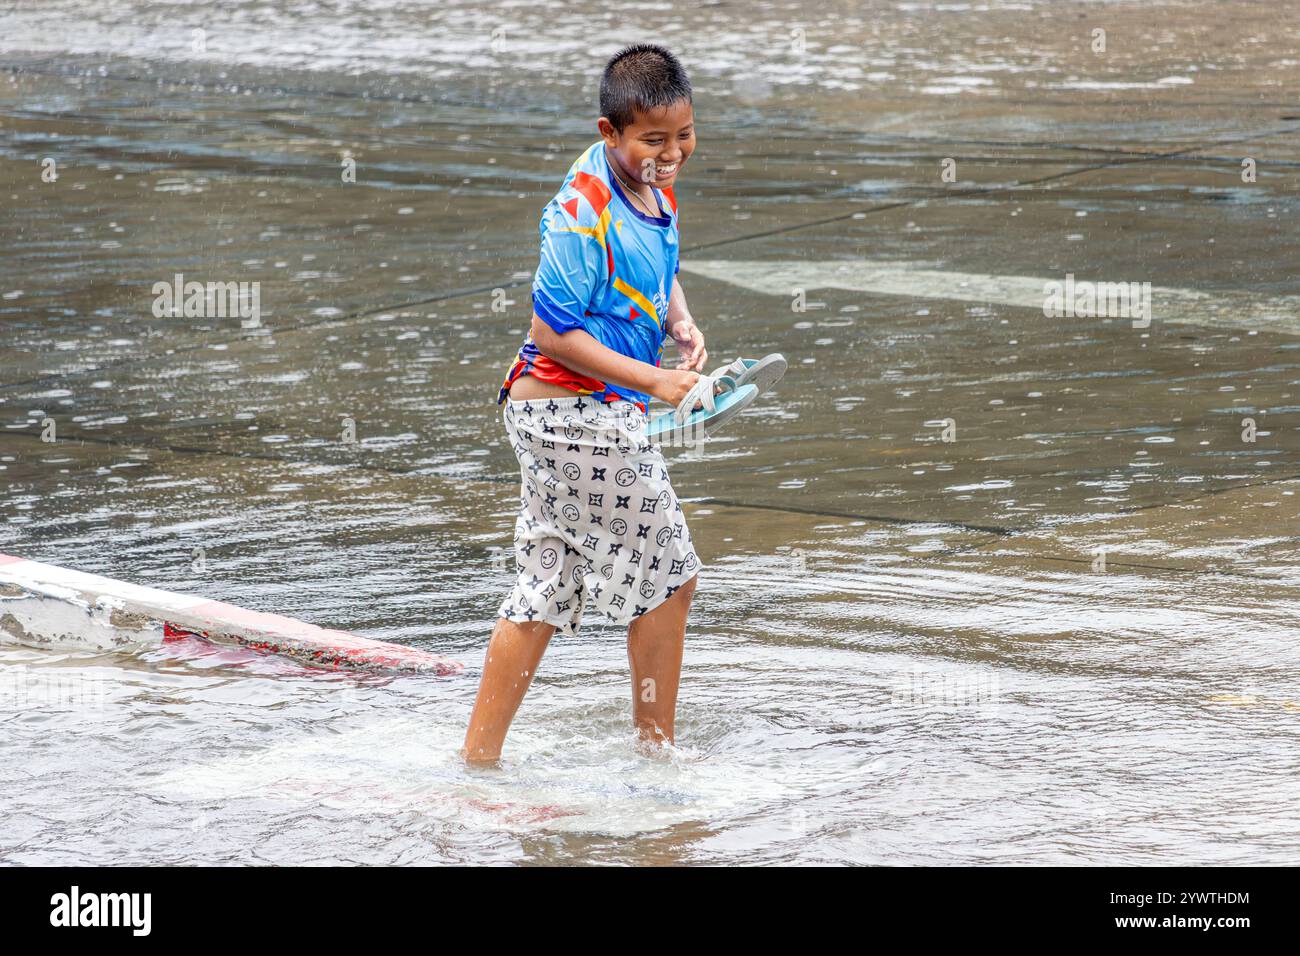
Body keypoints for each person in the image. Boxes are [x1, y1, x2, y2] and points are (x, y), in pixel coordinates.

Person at [463, 43, 715, 765]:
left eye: (684, 136)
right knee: (672, 580)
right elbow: (551, 329)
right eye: (653, 141)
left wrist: (679, 323)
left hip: (568, 415)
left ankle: (477, 764)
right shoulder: (580, 211)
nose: (671, 155)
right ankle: (657, 759)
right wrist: (654, 380)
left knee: (549, 583)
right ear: (610, 135)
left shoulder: (651, 182)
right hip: (571, 413)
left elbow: (660, 264)